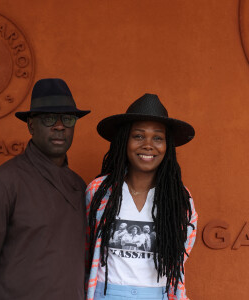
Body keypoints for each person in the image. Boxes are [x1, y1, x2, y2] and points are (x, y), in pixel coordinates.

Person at [0, 78, 90, 300]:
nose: (60, 126)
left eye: (68, 119)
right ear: (31, 125)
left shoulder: (79, 186)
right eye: (49, 119)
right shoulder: (2, 183)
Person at [85, 94, 198, 300]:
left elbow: (180, 258)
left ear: (167, 147)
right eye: (138, 136)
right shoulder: (99, 191)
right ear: (124, 141)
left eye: (157, 137)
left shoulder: (179, 199)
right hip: (106, 293)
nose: (148, 144)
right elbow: (85, 248)